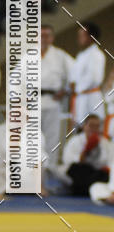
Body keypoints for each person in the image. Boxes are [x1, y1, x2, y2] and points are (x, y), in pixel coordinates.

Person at [40, 25, 73, 170]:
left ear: (52, 38)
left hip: (53, 101)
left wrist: (65, 90)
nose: (43, 38)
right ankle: (32, 174)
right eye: (40, 35)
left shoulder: (61, 56)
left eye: (47, 35)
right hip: (33, 102)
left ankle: (50, 171)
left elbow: (75, 76)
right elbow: (16, 80)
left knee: (52, 140)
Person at [61, 115, 111, 196]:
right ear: (84, 126)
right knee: (77, 169)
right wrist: (85, 152)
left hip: (96, 173)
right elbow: (67, 160)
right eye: (91, 125)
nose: (94, 129)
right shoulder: (75, 141)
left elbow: (109, 163)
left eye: (97, 126)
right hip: (79, 173)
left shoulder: (105, 143)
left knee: (104, 174)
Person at [69, 22, 106, 127]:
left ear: (91, 37)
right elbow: (74, 77)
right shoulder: (80, 56)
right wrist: (72, 84)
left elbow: (94, 78)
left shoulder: (97, 55)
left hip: (90, 98)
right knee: (79, 132)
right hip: (80, 99)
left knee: (91, 131)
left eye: (82, 35)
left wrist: (77, 87)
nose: (79, 38)